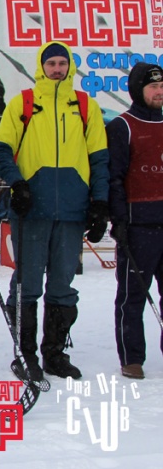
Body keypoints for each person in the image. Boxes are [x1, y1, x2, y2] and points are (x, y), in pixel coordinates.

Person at [0, 41, 109, 380]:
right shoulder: (23, 103)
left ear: (70, 66)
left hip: (72, 211)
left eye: (62, 63)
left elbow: (100, 160)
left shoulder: (86, 106)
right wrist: (18, 184)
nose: (57, 69)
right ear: (41, 67)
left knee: (62, 286)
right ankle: (25, 354)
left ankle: (54, 354)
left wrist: (100, 204)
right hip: (31, 210)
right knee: (27, 284)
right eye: (51, 63)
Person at [107, 62, 163, 380]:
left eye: (162, 87)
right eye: (153, 87)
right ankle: (132, 358)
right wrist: (118, 219)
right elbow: (114, 177)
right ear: (138, 90)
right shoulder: (122, 126)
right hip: (138, 226)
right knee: (132, 296)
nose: (159, 92)